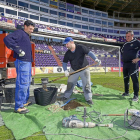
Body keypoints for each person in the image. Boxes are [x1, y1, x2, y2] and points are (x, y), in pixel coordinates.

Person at [4, 20, 35, 114]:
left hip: (27, 62)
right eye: (30, 29)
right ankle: (19, 106)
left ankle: (24, 102)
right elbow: (6, 39)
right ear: (25, 26)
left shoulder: (26, 35)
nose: (32, 31)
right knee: (22, 83)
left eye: (33, 29)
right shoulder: (20, 32)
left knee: (27, 82)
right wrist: (17, 49)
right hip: (23, 62)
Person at [62, 37, 101, 105]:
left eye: (67, 44)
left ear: (71, 42)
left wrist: (96, 59)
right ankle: (66, 96)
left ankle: (88, 98)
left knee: (87, 84)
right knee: (70, 84)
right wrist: (65, 70)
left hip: (84, 69)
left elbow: (90, 53)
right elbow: (64, 63)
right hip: (74, 70)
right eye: (65, 44)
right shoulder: (68, 53)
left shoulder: (81, 47)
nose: (66, 46)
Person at [121, 30, 140, 102]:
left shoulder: (137, 42)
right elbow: (122, 52)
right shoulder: (125, 44)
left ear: (132, 36)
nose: (127, 38)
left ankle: (136, 95)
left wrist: (138, 58)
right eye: (126, 36)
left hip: (133, 64)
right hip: (125, 64)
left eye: (128, 36)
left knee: (134, 80)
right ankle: (126, 92)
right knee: (126, 79)